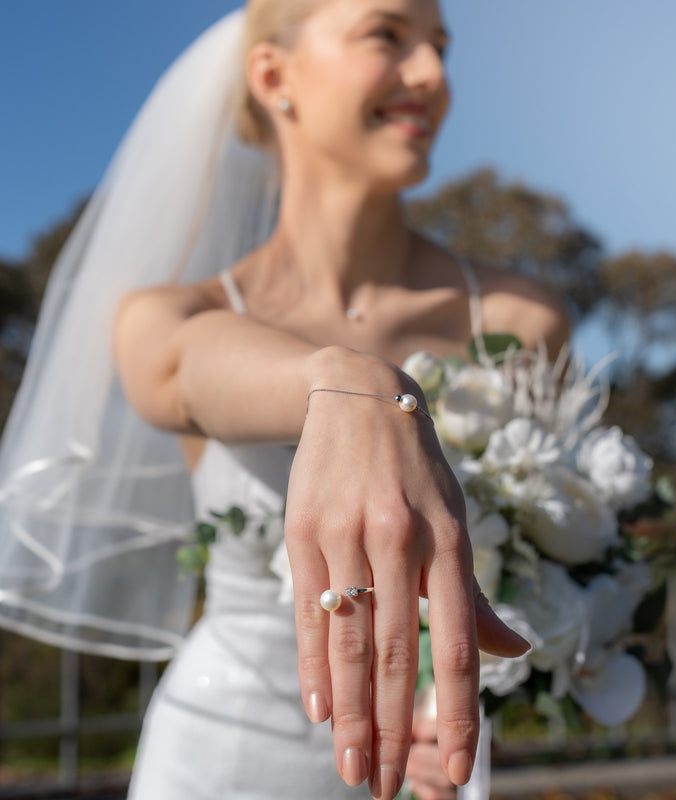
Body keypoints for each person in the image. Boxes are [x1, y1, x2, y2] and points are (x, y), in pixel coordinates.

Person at [0, 1, 569, 798]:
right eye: (388, 35)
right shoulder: (170, 318)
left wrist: (459, 697)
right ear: (274, 75)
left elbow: (558, 559)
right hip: (221, 758)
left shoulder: (520, 322)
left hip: (435, 763)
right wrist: (358, 386)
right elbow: (191, 367)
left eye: (440, 45)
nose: (434, 75)